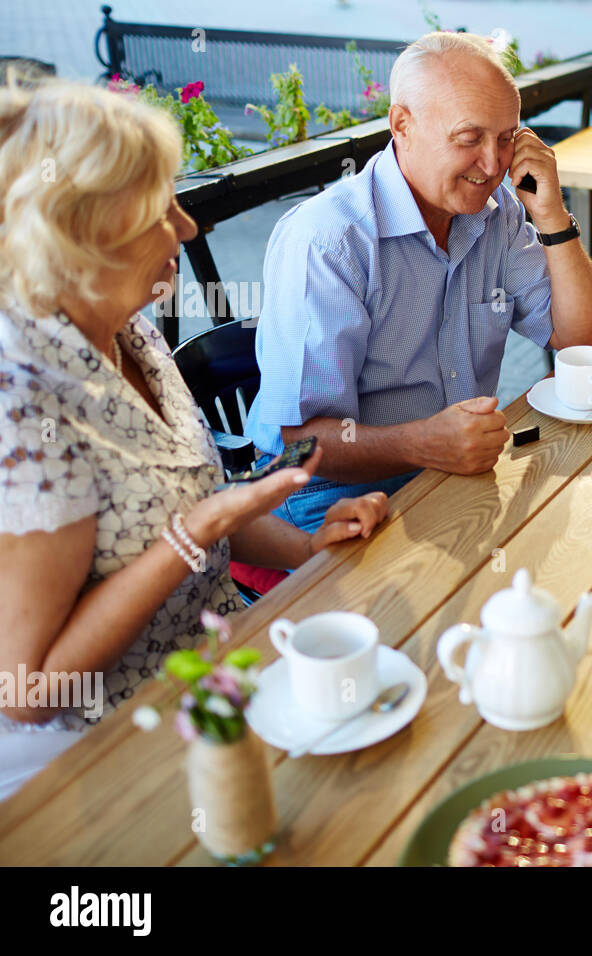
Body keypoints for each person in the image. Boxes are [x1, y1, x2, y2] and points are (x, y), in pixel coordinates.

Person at [0, 78, 389, 800]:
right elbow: (29, 691)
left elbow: (196, 500)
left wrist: (308, 549)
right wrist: (201, 526)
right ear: (80, 232)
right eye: (159, 210)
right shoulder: (22, 405)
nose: (186, 227)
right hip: (101, 768)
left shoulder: (130, 333)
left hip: (216, 688)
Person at [246, 31, 592, 533]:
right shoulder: (329, 240)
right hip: (323, 496)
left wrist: (551, 214)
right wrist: (423, 442)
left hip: (446, 473)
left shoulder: (497, 211)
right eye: (469, 139)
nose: (494, 164)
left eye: (508, 138)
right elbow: (300, 443)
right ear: (402, 124)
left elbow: (585, 343)